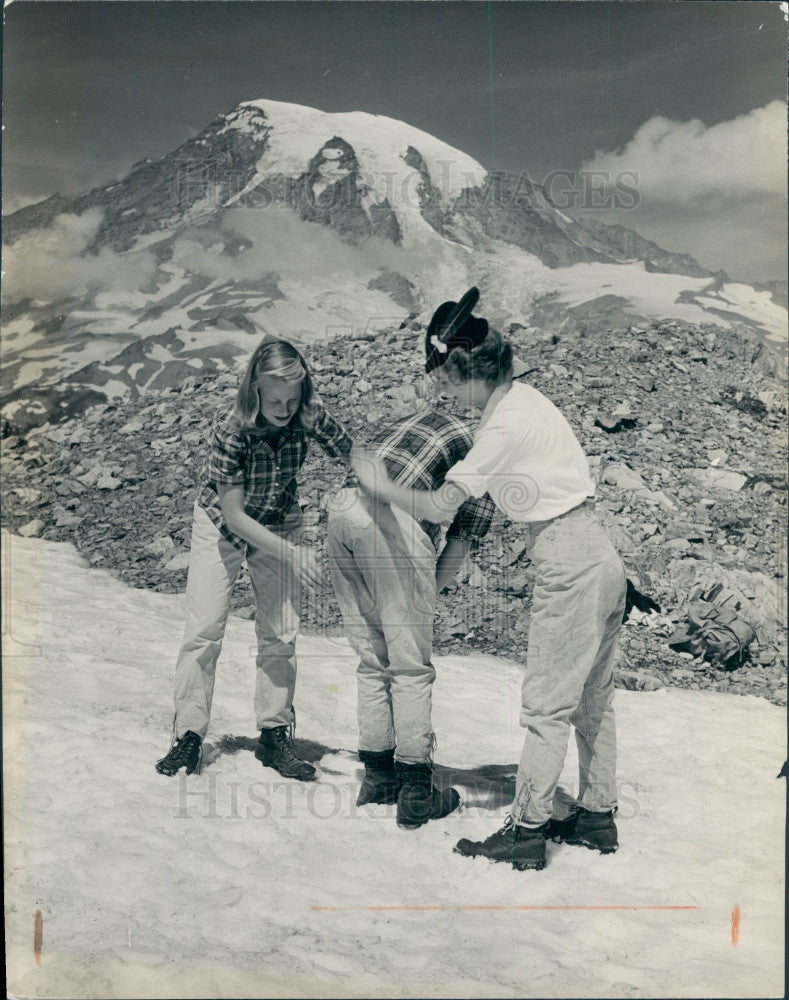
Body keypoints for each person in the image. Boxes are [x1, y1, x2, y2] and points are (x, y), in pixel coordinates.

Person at [352, 288, 627, 869]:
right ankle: (598, 816)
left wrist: (376, 482)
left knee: (546, 707)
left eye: (449, 386)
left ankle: (527, 831)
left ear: (472, 376)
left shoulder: (501, 428)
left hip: (567, 558)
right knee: (593, 698)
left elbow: (436, 506)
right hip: (598, 552)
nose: (446, 397)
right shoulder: (526, 399)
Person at [156, 338, 352, 781]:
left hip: (280, 518)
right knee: (204, 630)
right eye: (274, 398)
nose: (284, 408)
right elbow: (234, 515)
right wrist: (293, 553)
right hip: (223, 524)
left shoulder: (310, 414)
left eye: (293, 398)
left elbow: (355, 455)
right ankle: (188, 736)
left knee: (281, 633)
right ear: (255, 389)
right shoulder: (230, 429)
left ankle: (274, 734)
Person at [326, 393, 496, 828]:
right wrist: (426, 595)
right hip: (394, 526)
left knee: (371, 658)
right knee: (410, 666)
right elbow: (461, 541)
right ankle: (416, 788)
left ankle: (378, 776)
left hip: (343, 510)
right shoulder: (486, 451)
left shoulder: (420, 416)